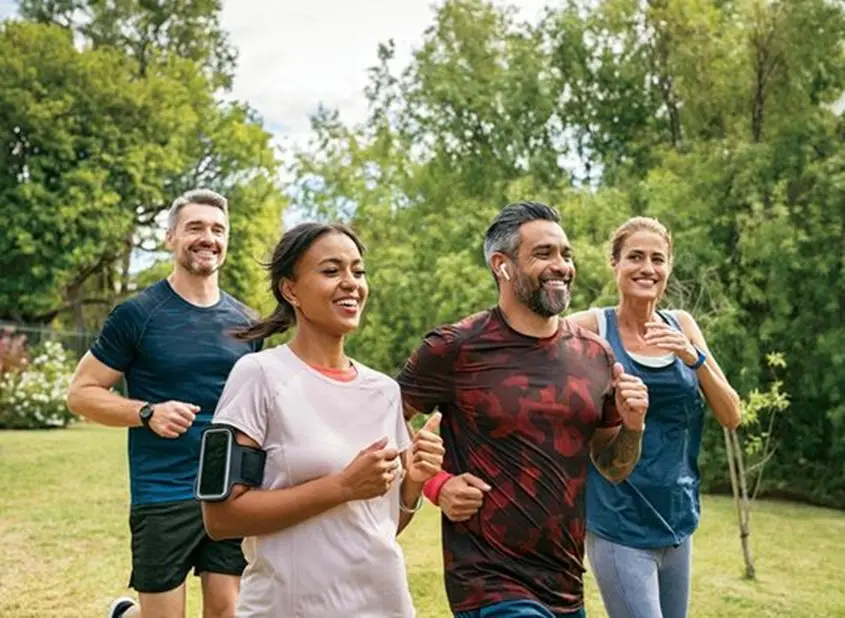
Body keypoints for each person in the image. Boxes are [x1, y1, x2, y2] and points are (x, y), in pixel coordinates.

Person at [397, 201, 650, 618]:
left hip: (565, 584)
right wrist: (437, 484)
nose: (561, 266)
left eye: (566, 254)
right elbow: (383, 415)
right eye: (544, 253)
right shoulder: (456, 347)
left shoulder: (595, 355)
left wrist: (634, 425)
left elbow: (612, 467)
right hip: (487, 582)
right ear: (503, 265)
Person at [200, 221, 445, 617]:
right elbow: (220, 518)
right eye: (331, 270)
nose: (351, 283)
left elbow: (376, 527)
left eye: (358, 272)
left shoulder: (384, 391)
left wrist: (412, 485)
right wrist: (342, 486)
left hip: (385, 606)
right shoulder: (258, 375)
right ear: (290, 290)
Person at [66, 189, 262, 618]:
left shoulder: (248, 323)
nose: (208, 238)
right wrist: (147, 413)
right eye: (195, 228)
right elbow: (81, 392)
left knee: (227, 612)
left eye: (218, 230)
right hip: (163, 490)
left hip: (229, 488)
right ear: (170, 237)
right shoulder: (137, 315)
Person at [567, 216, 742, 618]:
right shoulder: (591, 328)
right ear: (615, 263)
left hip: (678, 521)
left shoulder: (683, 326)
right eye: (635, 257)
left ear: (668, 268)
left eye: (657, 259)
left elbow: (731, 414)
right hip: (619, 524)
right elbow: (530, 345)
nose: (647, 268)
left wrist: (693, 357)